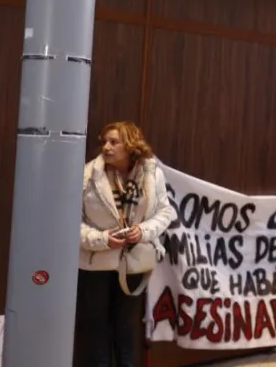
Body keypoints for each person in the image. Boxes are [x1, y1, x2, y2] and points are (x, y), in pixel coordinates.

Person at [77, 122, 177, 367]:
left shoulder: (152, 173)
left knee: (126, 327)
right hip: (95, 262)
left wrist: (142, 232)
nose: (106, 147)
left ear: (131, 145)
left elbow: (166, 213)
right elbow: (70, 222)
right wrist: (102, 240)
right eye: (104, 142)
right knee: (95, 328)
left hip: (134, 262)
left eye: (114, 142)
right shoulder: (87, 174)